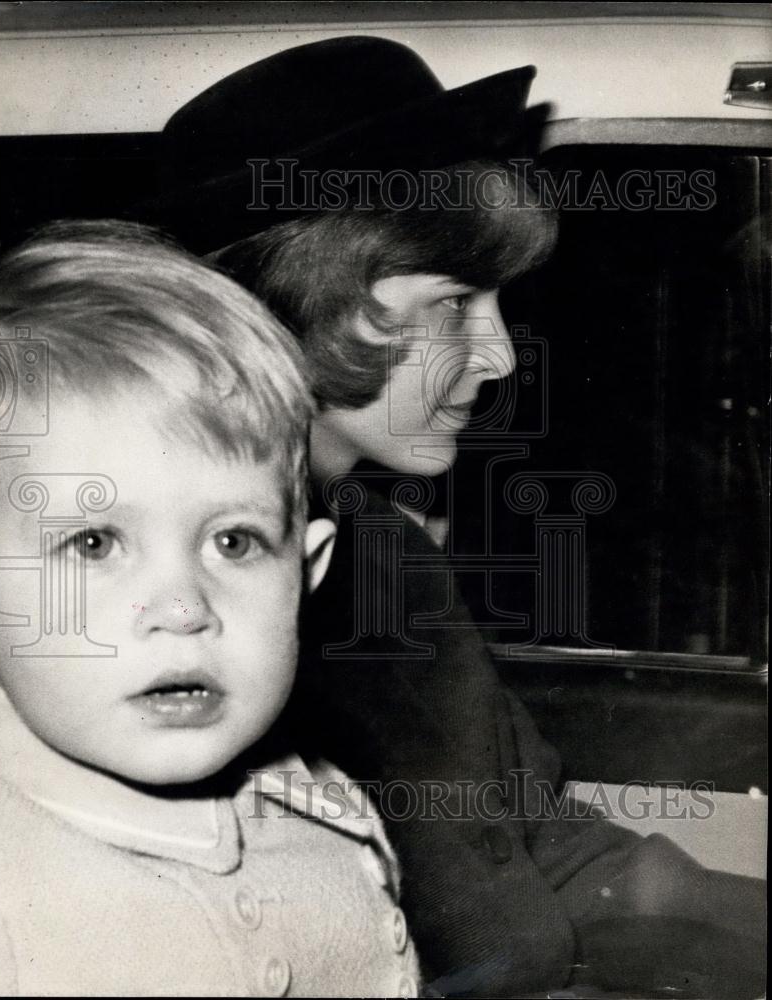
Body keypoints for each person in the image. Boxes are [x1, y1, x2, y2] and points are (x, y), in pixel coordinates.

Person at [154, 37, 766, 999]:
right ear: (295, 304)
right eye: (451, 304)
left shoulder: (383, 555)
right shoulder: (175, 613)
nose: (498, 359)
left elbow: (542, 847)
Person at [0, 220, 422, 997]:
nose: (183, 608)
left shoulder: (328, 807)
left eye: (235, 542)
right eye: (93, 544)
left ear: (305, 576)